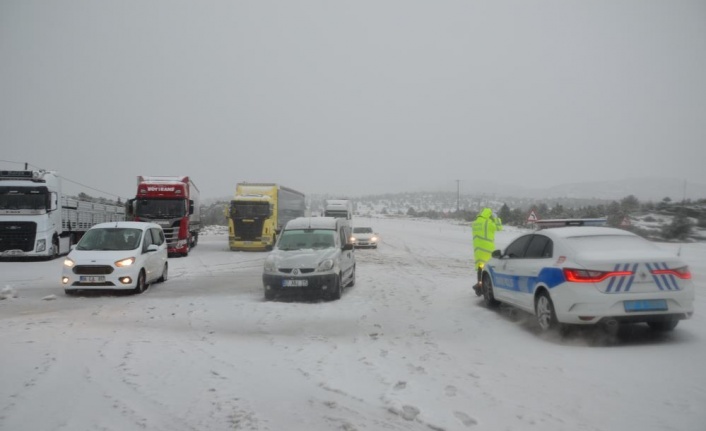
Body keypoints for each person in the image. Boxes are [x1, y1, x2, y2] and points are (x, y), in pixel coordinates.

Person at [472, 208, 498, 296]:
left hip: (478, 252)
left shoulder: (475, 223)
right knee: (489, 269)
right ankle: (487, 286)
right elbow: (499, 227)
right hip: (488, 252)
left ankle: (479, 284)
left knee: (480, 268)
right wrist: (496, 218)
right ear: (489, 215)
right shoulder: (488, 223)